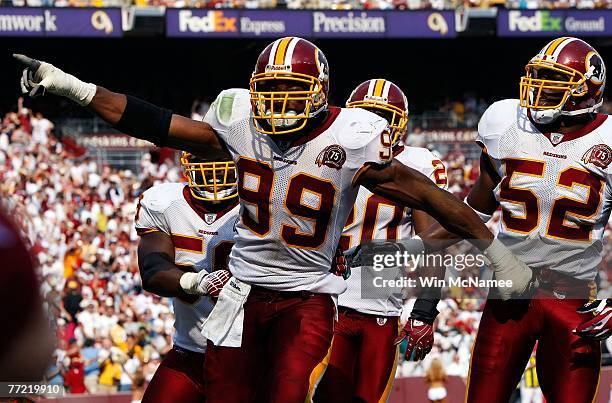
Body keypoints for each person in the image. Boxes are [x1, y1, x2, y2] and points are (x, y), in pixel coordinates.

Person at [16, 36, 534, 402]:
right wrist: (75, 88)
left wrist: (497, 249)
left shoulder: (351, 137)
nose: (279, 109)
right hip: (242, 292)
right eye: (271, 94)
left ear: (321, 93)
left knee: (287, 393)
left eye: (292, 95)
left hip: (306, 297)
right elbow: (156, 124)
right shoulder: (242, 123)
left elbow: (432, 200)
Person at [398, 37, 609, 403]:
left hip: (575, 298)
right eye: (538, 78)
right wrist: (405, 250)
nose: (538, 90)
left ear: (585, 91)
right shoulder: (506, 124)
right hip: (509, 296)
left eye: (553, 81)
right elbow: (472, 213)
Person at [315, 79, 447, 403]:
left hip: (381, 307)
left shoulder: (417, 164)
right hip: (326, 302)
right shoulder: (328, 154)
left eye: (383, 116)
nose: (375, 125)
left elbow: (433, 243)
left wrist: (426, 309)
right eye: (368, 114)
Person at [135, 148, 240, 402]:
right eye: (204, 159)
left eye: (222, 161)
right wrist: (198, 282)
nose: (214, 173)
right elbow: (152, 270)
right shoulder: (166, 203)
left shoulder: (260, 203)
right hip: (190, 351)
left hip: (248, 358)